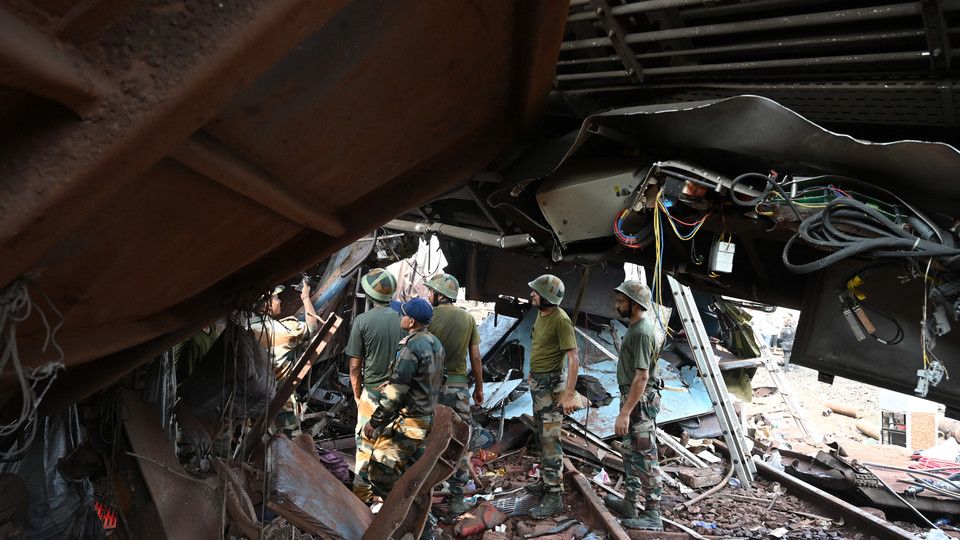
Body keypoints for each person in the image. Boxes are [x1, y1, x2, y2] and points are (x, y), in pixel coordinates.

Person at [361, 297, 444, 496]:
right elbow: (435, 377)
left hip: (410, 423)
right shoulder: (434, 342)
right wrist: (394, 382)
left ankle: (397, 518)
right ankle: (419, 522)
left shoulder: (411, 346)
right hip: (426, 418)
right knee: (411, 475)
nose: (401, 316)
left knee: (380, 472)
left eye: (403, 314)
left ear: (412, 322)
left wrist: (375, 421)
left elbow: (395, 393)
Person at [424, 272, 489, 516]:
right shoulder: (468, 319)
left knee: (428, 440)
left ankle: (425, 500)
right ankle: (457, 498)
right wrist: (479, 389)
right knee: (458, 442)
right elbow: (475, 357)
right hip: (459, 388)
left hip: (430, 389)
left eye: (431, 291)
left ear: (440, 295)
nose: (428, 294)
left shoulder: (426, 316)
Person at [604, 280, 663, 530]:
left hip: (638, 402)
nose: (617, 304)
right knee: (630, 453)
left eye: (621, 301)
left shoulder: (641, 332)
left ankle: (653, 514)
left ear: (635, 304)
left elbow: (642, 376)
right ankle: (630, 502)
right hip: (632, 398)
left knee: (645, 456)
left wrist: (625, 413)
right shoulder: (636, 326)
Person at [345, 268, 405, 503]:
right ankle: (390, 499)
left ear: (369, 296)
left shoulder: (362, 321)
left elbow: (354, 365)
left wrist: (357, 394)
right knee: (391, 448)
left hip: (371, 394)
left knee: (365, 449)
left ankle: (361, 500)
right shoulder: (404, 320)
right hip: (398, 396)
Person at [525, 274, 579, 519]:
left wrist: (568, 394)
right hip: (538, 384)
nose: (532, 294)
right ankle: (547, 483)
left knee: (550, 440)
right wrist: (531, 374)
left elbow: (573, 358)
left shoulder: (561, 321)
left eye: (536, 292)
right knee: (540, 435)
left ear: (546, 297)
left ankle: (554, 496)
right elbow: (539, 345)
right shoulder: (541, 312)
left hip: (551, 387)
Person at [244, 282, 321, 434]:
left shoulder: (246, 331)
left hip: (252, 405)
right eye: (276, 298)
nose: (280, 301)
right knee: (286, 447)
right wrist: (305, 297)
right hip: (280, 404)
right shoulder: (284, 331)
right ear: (266, 304)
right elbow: (312, 326)